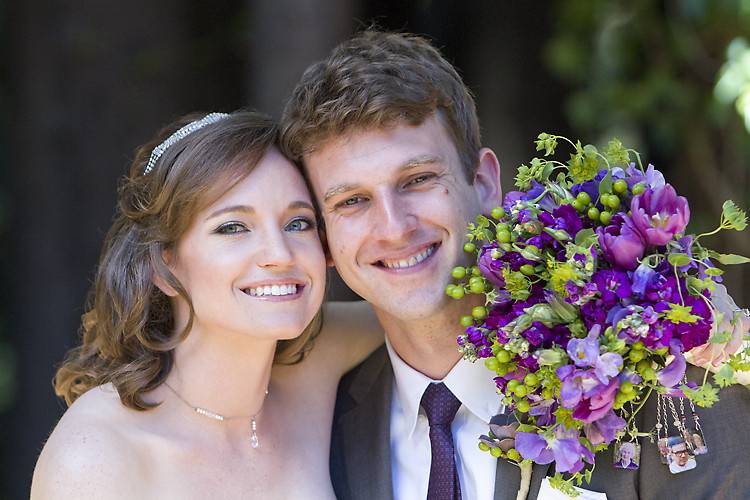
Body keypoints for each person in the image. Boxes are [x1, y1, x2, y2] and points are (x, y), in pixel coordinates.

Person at [281, 29, 750, 500]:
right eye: (352, 201)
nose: (394, 227)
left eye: (418, 178)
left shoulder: (662, 378)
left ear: (484, 183)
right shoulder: (322, 432)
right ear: (322, 237)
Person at [30, 110, 383, 499]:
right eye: (233, 227)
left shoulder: (318, 360)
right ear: (163, 266)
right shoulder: (94, 458)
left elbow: (429, 315)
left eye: (298, 223)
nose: (281, 255)